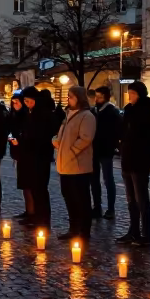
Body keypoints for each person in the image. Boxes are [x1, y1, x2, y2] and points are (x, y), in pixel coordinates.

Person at [116, 81, 150, 247]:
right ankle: (133, 230)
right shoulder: (128, 110)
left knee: (141, 198)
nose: (130, 96)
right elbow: (122, 131)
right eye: (129, 93)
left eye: (133, 93)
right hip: (127, 159)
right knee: (130, 199)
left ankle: (145, 234)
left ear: (140, 94)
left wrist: (141, 148)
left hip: (140, 160)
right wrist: (122, 145)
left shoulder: (148, 113)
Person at [53, 86, 96, 242]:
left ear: (79, 98)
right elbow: (61, 134)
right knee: (69, 198)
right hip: (64, 166)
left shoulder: (86, 116)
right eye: (68, 97)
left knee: (82, 199)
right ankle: (73, 228)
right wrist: (56, 141)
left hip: (79, 167)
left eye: (71, 96)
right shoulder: (67, 115)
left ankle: (84, 231)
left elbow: (85, 138)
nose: (68, 99)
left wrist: (71, 151)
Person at [11, 86, 54, 230]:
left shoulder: (42, 114)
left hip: (39, 158)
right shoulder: (30, 113)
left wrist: (22, 141)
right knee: (34, 190)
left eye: (28, 101)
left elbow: (39, 137)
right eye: (25, 101)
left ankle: (43, 221)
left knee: (40, 190)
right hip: (30, 156)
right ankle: (36, 218)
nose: (27, 103)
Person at [91, 86, 121, 220]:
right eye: (96, 97)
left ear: (106, 98)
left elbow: (116, 131)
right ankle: (97, 207)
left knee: (108, 179)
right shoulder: (94, 110)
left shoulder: (112, 112)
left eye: (100, 97)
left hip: (106, 150)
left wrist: (112, 145)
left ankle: (111, 209)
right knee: (94, 180)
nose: (97, 99)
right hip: (94, 150)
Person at [7, 93, 30, 220]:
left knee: (28, 184)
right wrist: (10, 137)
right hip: (17, 151)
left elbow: (26, 133)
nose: (15, 105)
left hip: (25, 152)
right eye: (13, 102)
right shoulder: (13, 115)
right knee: (23, 184)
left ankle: (32, 212)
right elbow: (10, 129)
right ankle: (28, 210)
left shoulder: (26, 115)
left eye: (17, 102)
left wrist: (19, 140)